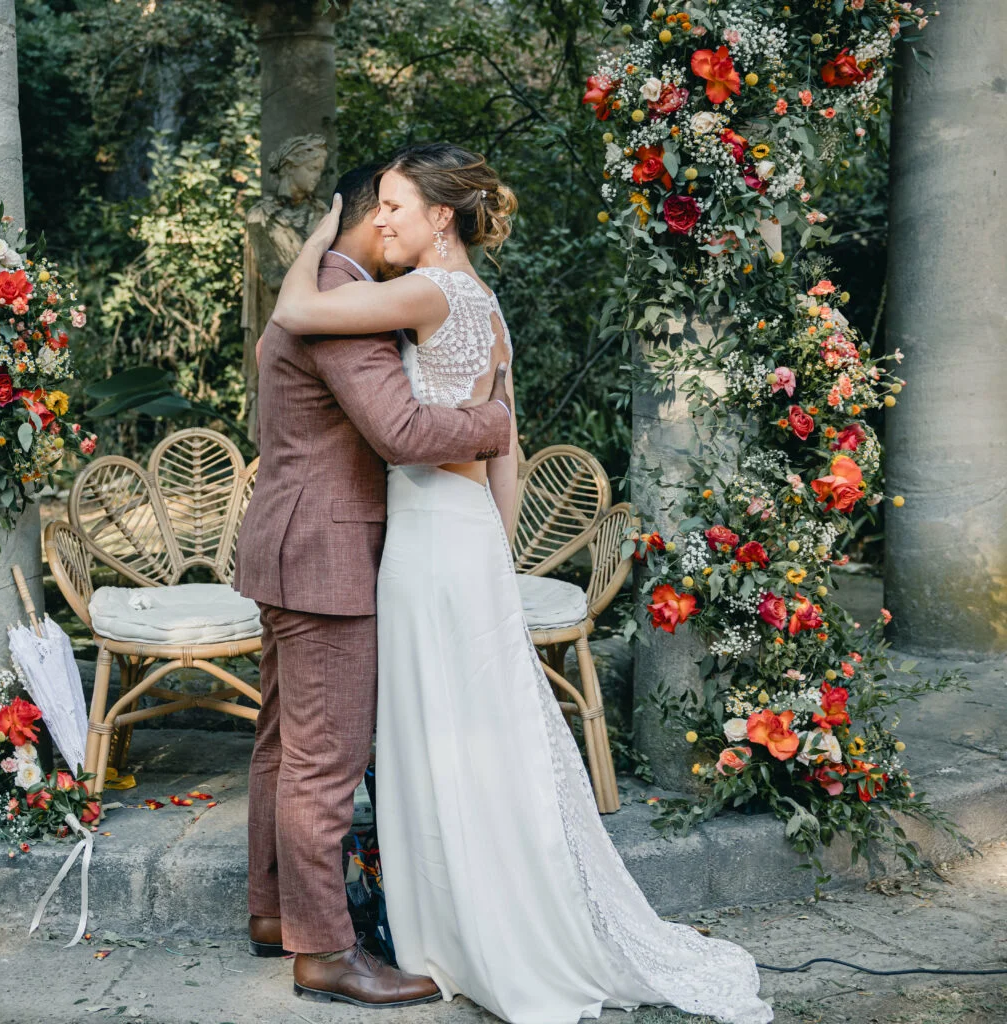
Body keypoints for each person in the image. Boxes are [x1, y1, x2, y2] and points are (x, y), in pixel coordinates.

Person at [269, 143, 774, 1024]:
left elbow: (298, 310)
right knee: (476, 733)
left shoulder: (425, 293)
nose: (382, 219)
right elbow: (510, 445)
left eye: (396, 204)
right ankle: (471, 917)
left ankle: (455, 927)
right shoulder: (487, 308)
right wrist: (498, 555)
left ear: (441, 217)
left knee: (437, 737)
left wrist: (317, 229)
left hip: (426, 543)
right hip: (459, 539)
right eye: (375, 204)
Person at [232, 163, 514, 1009]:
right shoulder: (343, 309)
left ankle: (276, 912)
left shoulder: (331, 288)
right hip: (330, 559)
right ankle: (325, 951)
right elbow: (398, 429)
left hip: (292, 546)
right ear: (363, 216)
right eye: (385, 211)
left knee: (285, 746)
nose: (393, 227)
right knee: (326, 763)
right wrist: (497, 420)